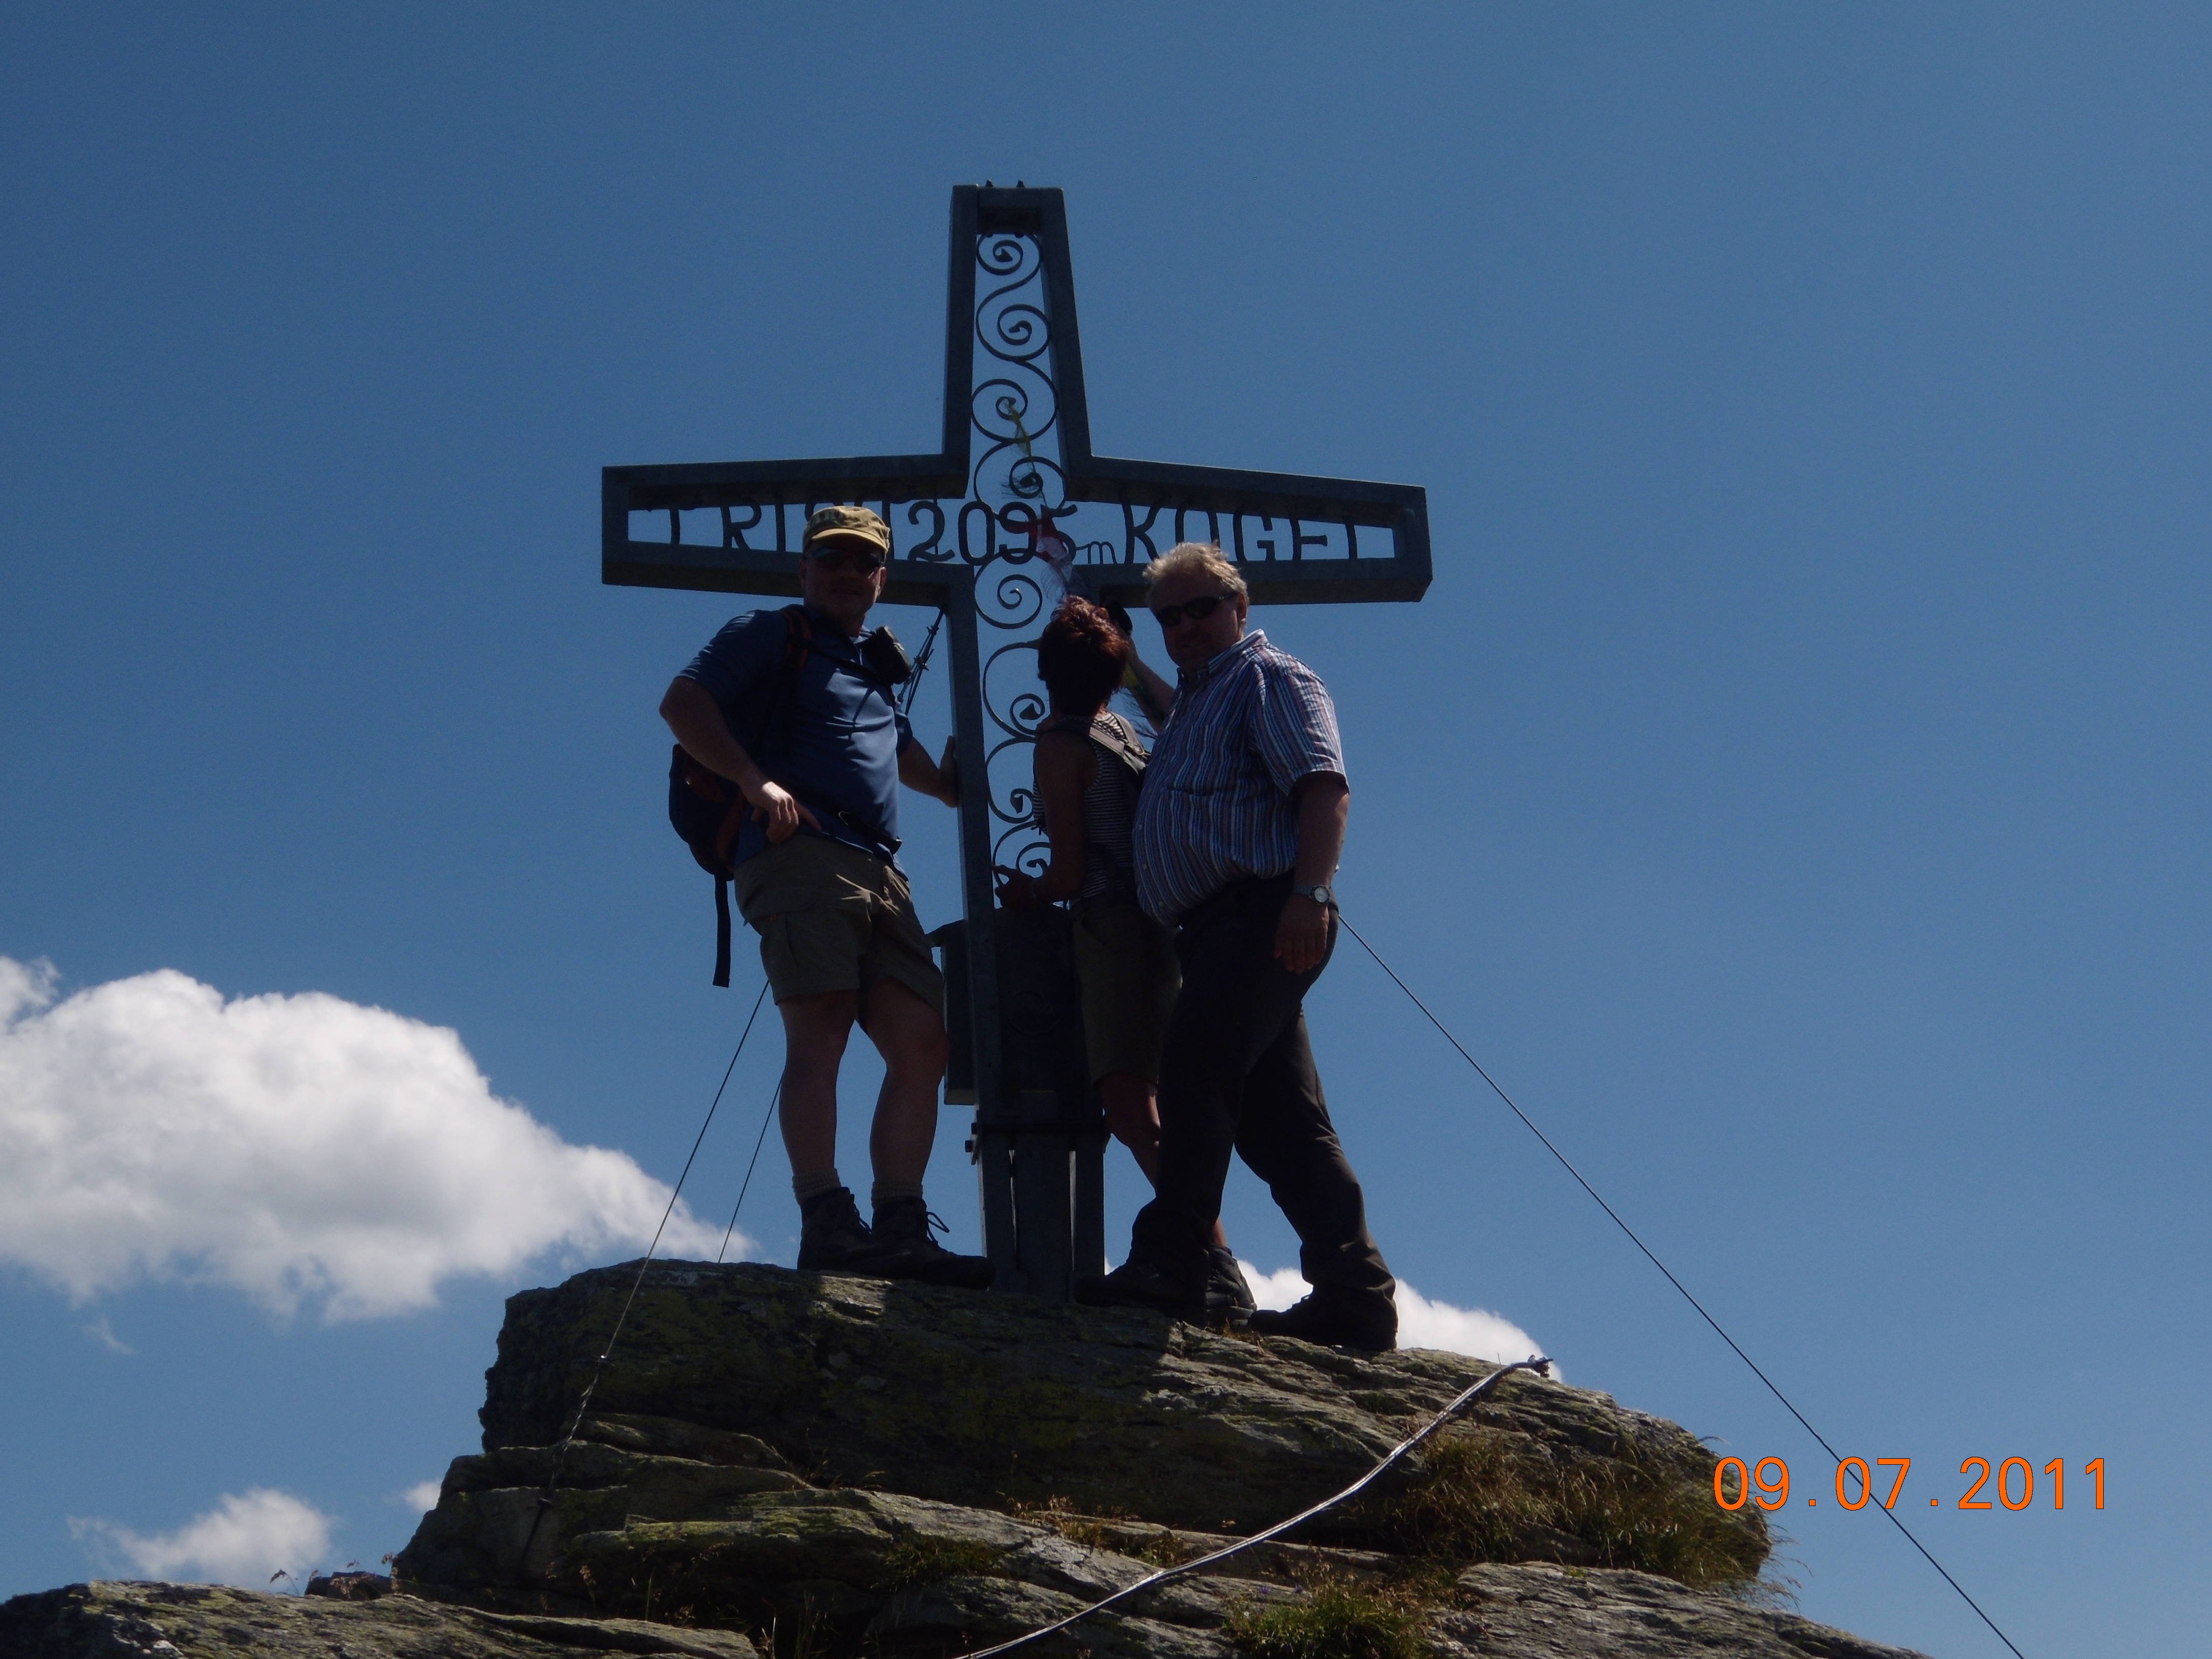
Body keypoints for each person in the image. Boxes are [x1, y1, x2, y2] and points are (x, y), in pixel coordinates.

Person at [658, 505, 991, 1289]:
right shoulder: (770, 633)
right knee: (822, 1036)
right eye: (831, 559)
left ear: (883, 578)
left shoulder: (868, 664)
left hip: (877, 865)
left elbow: (890, 744)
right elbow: (682, 703)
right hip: (798, 850)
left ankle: (901, 1223)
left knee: (924, 1045)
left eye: (863, 563)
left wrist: (945, 787)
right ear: (803, 569)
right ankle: (826, 1219)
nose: (847, 573)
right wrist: (752, 779)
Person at [1076, 542, 1397, 1350]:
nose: (1185, 627)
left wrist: (1311, 894)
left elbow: (1324, 786)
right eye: (1169, 617)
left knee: (1193, 1068)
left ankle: (1176, 1261)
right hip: (1216, 928)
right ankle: (1355, 1295)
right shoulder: (1192, 703)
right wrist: (1115, 647)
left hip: (1263, 913)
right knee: (1281, 1125)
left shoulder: (1270, 677)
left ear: (1239, 607)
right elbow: (1155, 695)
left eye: (1200, 609)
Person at [996, 599, 1251, 1314]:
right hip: (1165, 920)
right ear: (1112, 678)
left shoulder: (1061, 745)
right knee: (1151, 1097)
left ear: (1045, 674)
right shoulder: (1124, 730)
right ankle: (1206, 1254)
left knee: (1129, 1099)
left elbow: (1072, 874)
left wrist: (1028, 893)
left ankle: (1208, 1259)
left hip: (1111, 925)